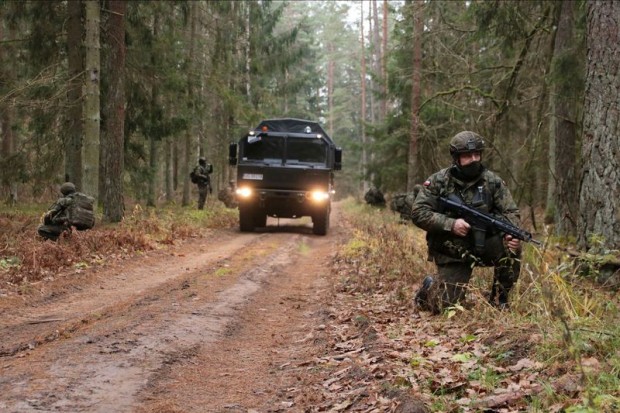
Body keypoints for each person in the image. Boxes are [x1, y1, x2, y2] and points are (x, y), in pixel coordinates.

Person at [410, 131, 521, 314]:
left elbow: (511, 212)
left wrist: (512, 233)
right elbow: (418, 213)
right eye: (467, 155)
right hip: (452, 249)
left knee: (512, 246)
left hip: (485, 243)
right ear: (456, 157)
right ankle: (429, 289)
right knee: (446, 307)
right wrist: (450, 224)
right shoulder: (438, 181)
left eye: (477, 154)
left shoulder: (492, 182)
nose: (474, 159)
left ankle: (499, 300)